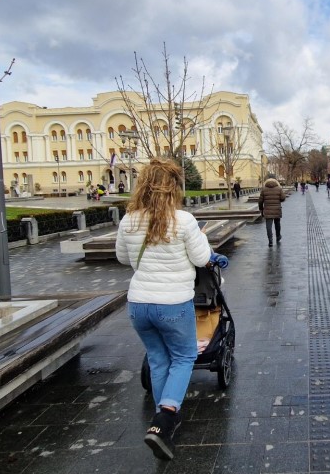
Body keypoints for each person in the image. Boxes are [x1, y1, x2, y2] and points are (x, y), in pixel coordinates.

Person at [115, 159, 213, 462]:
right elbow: (201, 258)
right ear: (174, 187)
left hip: (139, 304)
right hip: (172, 303)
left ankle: (160, 423)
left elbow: (122, 258)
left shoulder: (128, 219)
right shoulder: (182, 220)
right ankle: (166, 417)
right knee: (184, 357)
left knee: (158, 360)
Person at [258, 176, 285, 247]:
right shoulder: (279, 189)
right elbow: (283, 198)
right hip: (277, 209)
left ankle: (270, 240)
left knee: (268, 226)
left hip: (267, 210)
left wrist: (261, 209)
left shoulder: (264, 190)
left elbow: (260, 201)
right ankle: (278, 236)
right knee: (277, 224)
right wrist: (278, 200)